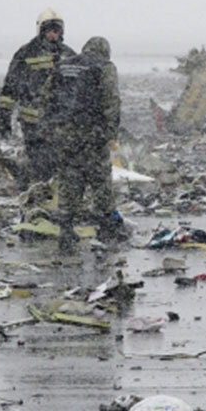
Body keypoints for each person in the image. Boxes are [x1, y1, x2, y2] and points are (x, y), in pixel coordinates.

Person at [44, 36, 123, 252]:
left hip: (65, 133)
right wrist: (110, 133)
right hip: (92, 132)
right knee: (99, 178)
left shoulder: (63, 66)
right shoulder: (104, 67)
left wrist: (50, 128)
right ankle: (106, 227)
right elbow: (112, 100)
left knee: (69, 178)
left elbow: (46, 98)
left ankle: (66, 230)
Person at [0, 8, 76, 187]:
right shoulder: (26, 53)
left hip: (62, 123)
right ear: (41, 30)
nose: (53, 34)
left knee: (62, 166)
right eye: (49, 30)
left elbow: (80, 88)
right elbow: (10, 90)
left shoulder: (69, 54)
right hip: (33, 124)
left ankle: (54, 194)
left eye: (56, 30)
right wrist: (4, 119)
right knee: (40, 165)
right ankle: (40, 193)